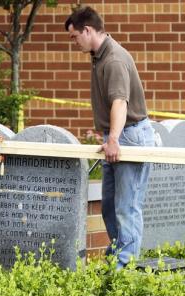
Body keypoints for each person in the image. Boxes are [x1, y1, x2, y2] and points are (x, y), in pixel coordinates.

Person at [65, 7, 155, 269]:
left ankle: (125, 270)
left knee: (127, 208)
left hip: (130, 136)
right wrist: (107, 133)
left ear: (88, 30)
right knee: (109, 207)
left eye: (74, 37)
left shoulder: (114, 59)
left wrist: (113, 138)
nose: (74, 43)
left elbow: (120, 102)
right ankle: (118, 258)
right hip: (118, 134)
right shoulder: (99, 56)